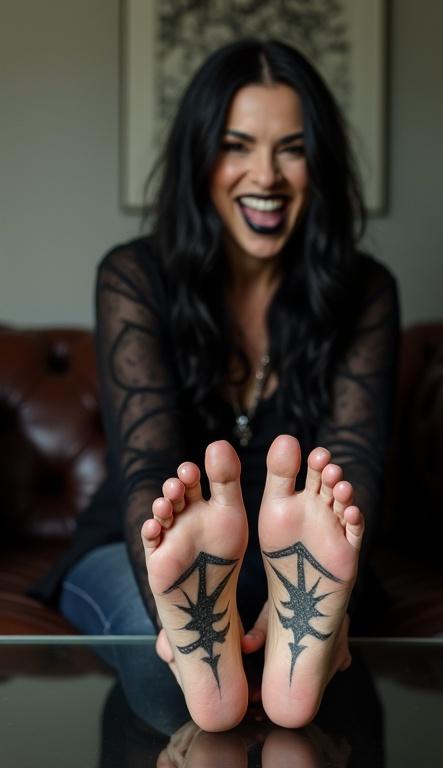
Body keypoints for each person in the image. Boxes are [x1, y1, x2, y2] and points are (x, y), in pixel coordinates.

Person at [33, 38, 399, 732]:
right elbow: (147, 468)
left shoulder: (364, 292)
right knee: (171, 672)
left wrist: (334, 595)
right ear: (200, 158)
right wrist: (165, 609)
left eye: (292, 148)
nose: (267, 174)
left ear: (319, 165)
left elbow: (355, 467)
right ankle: (198, 622)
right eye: (238, 145)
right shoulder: (134, 279)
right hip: (137, 544)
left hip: (291, 554)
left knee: (298, 647)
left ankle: (296, 621)